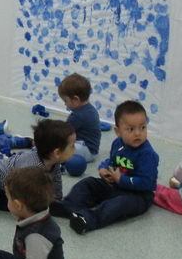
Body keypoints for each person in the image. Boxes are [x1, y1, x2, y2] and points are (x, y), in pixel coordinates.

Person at [51, 100, 159, 234]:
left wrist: (122, 180)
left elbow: (147, 183)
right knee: (88, 183)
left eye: (142, 127)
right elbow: (112, 161)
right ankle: (69, 206)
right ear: (118, 131)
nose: (138, 133)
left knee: (119, 205)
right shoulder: (118, 143)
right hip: (115, 185)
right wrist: (104, 168)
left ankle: (88, 219)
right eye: (131, 129)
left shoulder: (147, 154)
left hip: (138, 196)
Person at [0, 119, 74, 214]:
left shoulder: (55, 163)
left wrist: (56, 202)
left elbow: (56, 183)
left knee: (32, 205)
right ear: (57, 153)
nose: (75, 149)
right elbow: (15, 187)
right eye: (72, 146)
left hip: (12, 184)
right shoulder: (31, 167)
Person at [58, 73, 101, 165]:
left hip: (85, 150)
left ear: (75, 100)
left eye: (65, 100)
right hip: (92, 150)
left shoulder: (77, 116)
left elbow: (62, 133)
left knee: (55, 150)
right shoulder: (91, 109)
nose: (65, 104)